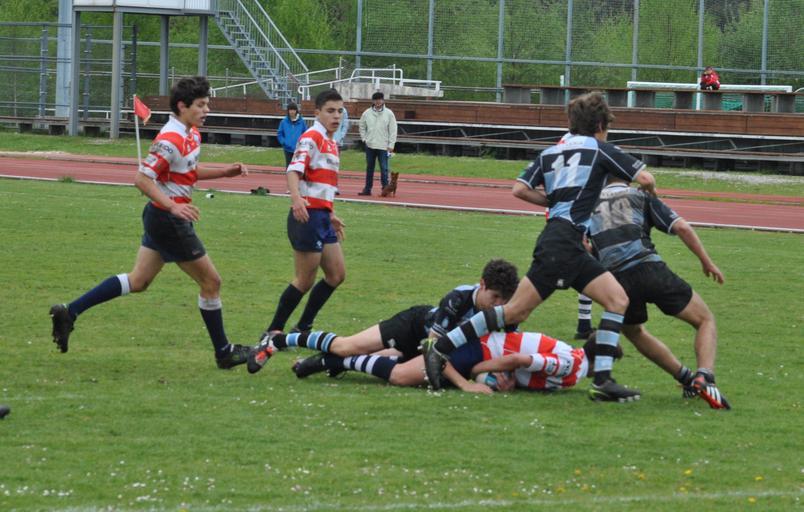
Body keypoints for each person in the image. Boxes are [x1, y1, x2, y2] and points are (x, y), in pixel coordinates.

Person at [423, 92, 657, 403]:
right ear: (601, 125)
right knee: (516, 311)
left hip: (561, 240)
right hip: (565, 241)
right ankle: (440, 347)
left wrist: (553, 202)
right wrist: (647, 197)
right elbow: (646, 178)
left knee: (617, 299)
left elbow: (519, 189)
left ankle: (603, 381)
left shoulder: (550, 152)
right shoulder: (602, 149)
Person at [49, 76, 251, 369]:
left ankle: (70, 312)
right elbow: (142, 179)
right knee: (211, 282)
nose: (207, 110)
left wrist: (225, 172)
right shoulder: (170, 140)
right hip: (168, 219)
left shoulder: (191, 133)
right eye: (201, 105)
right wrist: (174, 207)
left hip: (162, 217)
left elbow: (188, 171)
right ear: (182, 106)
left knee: (138, 281)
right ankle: (224, 352)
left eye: (207, 104)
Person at [587, 177, 730, 409]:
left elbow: (586, 247)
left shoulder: (588, 204)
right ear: (627, 175)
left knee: (634, 332)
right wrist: (707, 262)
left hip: (617, 281)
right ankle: (705, 376)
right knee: (705, 319)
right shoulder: (640, 196)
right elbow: (681, 227)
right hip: (650, 268)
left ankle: (686, 378)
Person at [247, 259, 519, 373]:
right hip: (411, 327)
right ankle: (276, 341)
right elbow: (433, 348)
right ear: (482, 284)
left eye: (503, 300)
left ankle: (318, 364)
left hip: (428, 347)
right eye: (494, 297)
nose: (497, 305)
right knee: (347, 346)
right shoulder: (457, 299)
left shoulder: (505, 312)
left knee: (386, 362)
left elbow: (505, 346)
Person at [258, 89, 346, 342]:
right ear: (317, 113)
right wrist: (296, 199)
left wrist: (331, 213)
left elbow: (321, 184)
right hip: (307, 216)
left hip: (322, 216)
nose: (336, 116)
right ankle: (273, 330)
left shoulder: (331, 142)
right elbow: (293, 170)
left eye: (340, 111)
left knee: (336, 274)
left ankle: (302, 327)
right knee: (305, 280)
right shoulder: (311, 137)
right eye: (330, 111)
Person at [292, 330, 620, 396]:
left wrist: (506, 381)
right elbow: (520, 358)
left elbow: (521, 366)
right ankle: (335, 361)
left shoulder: (574, 361)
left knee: (406, 363)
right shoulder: (571, 367)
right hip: (482, 351)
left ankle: (336, 361)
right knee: (403, 376)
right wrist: (476, 373)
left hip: (488, 352)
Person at [358, 91, 397, 196]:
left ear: (383, 100)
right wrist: (364, 139)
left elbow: (393, 130)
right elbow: (361, 126)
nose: (378, 101)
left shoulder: (389, 113)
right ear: (373, 101)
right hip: (370, 145)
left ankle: (385, 190)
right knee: (369, 168)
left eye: (380, 99)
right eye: (376, 100)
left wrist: (391, 145)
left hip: (383, 146)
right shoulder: (367, 113)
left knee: (384, 169)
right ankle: (367, 189)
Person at [277, 103, 306, 167]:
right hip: (287, 149)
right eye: (290, 110)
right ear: (288, 111)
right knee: (289, 167)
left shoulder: (301, 122)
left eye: (294, 110)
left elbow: (305, 134)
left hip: (298, 149)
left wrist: (302, 144)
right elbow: (280, 134)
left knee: (298, 167)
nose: (292, 111)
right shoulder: (283, 122)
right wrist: (284, 142)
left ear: (296, 111)